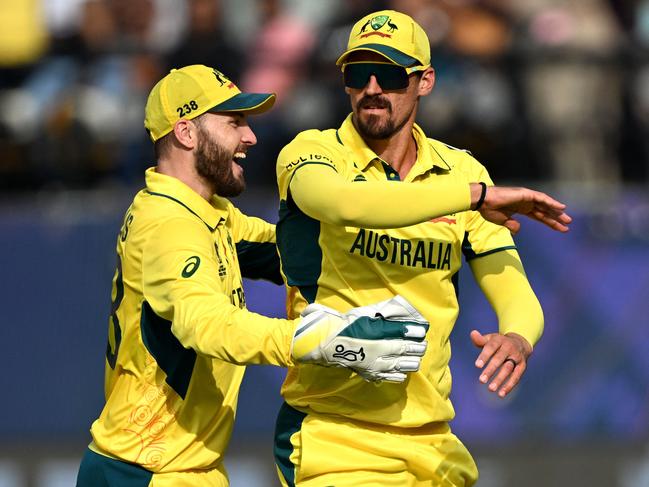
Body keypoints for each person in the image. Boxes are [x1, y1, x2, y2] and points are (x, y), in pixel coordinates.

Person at [75, 64, 433, 487]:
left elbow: (289, 252)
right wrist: (325, 341)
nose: (250, 137)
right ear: (186, 133)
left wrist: (409, 237)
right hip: (145, 472)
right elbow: (207, 326)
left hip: (181, 469)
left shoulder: (206, 212)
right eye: (234, 122)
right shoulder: (170, 227)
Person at [273, 10, 572, 487]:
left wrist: (517, 337)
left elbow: (514, 291)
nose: (372, 88)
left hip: (433, 442)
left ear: (425, 81)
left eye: (390, 74)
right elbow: (347, 204)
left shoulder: (460, 170)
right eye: (357, 74)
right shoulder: (312, 153)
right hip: (334, 437)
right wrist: (473, 195)